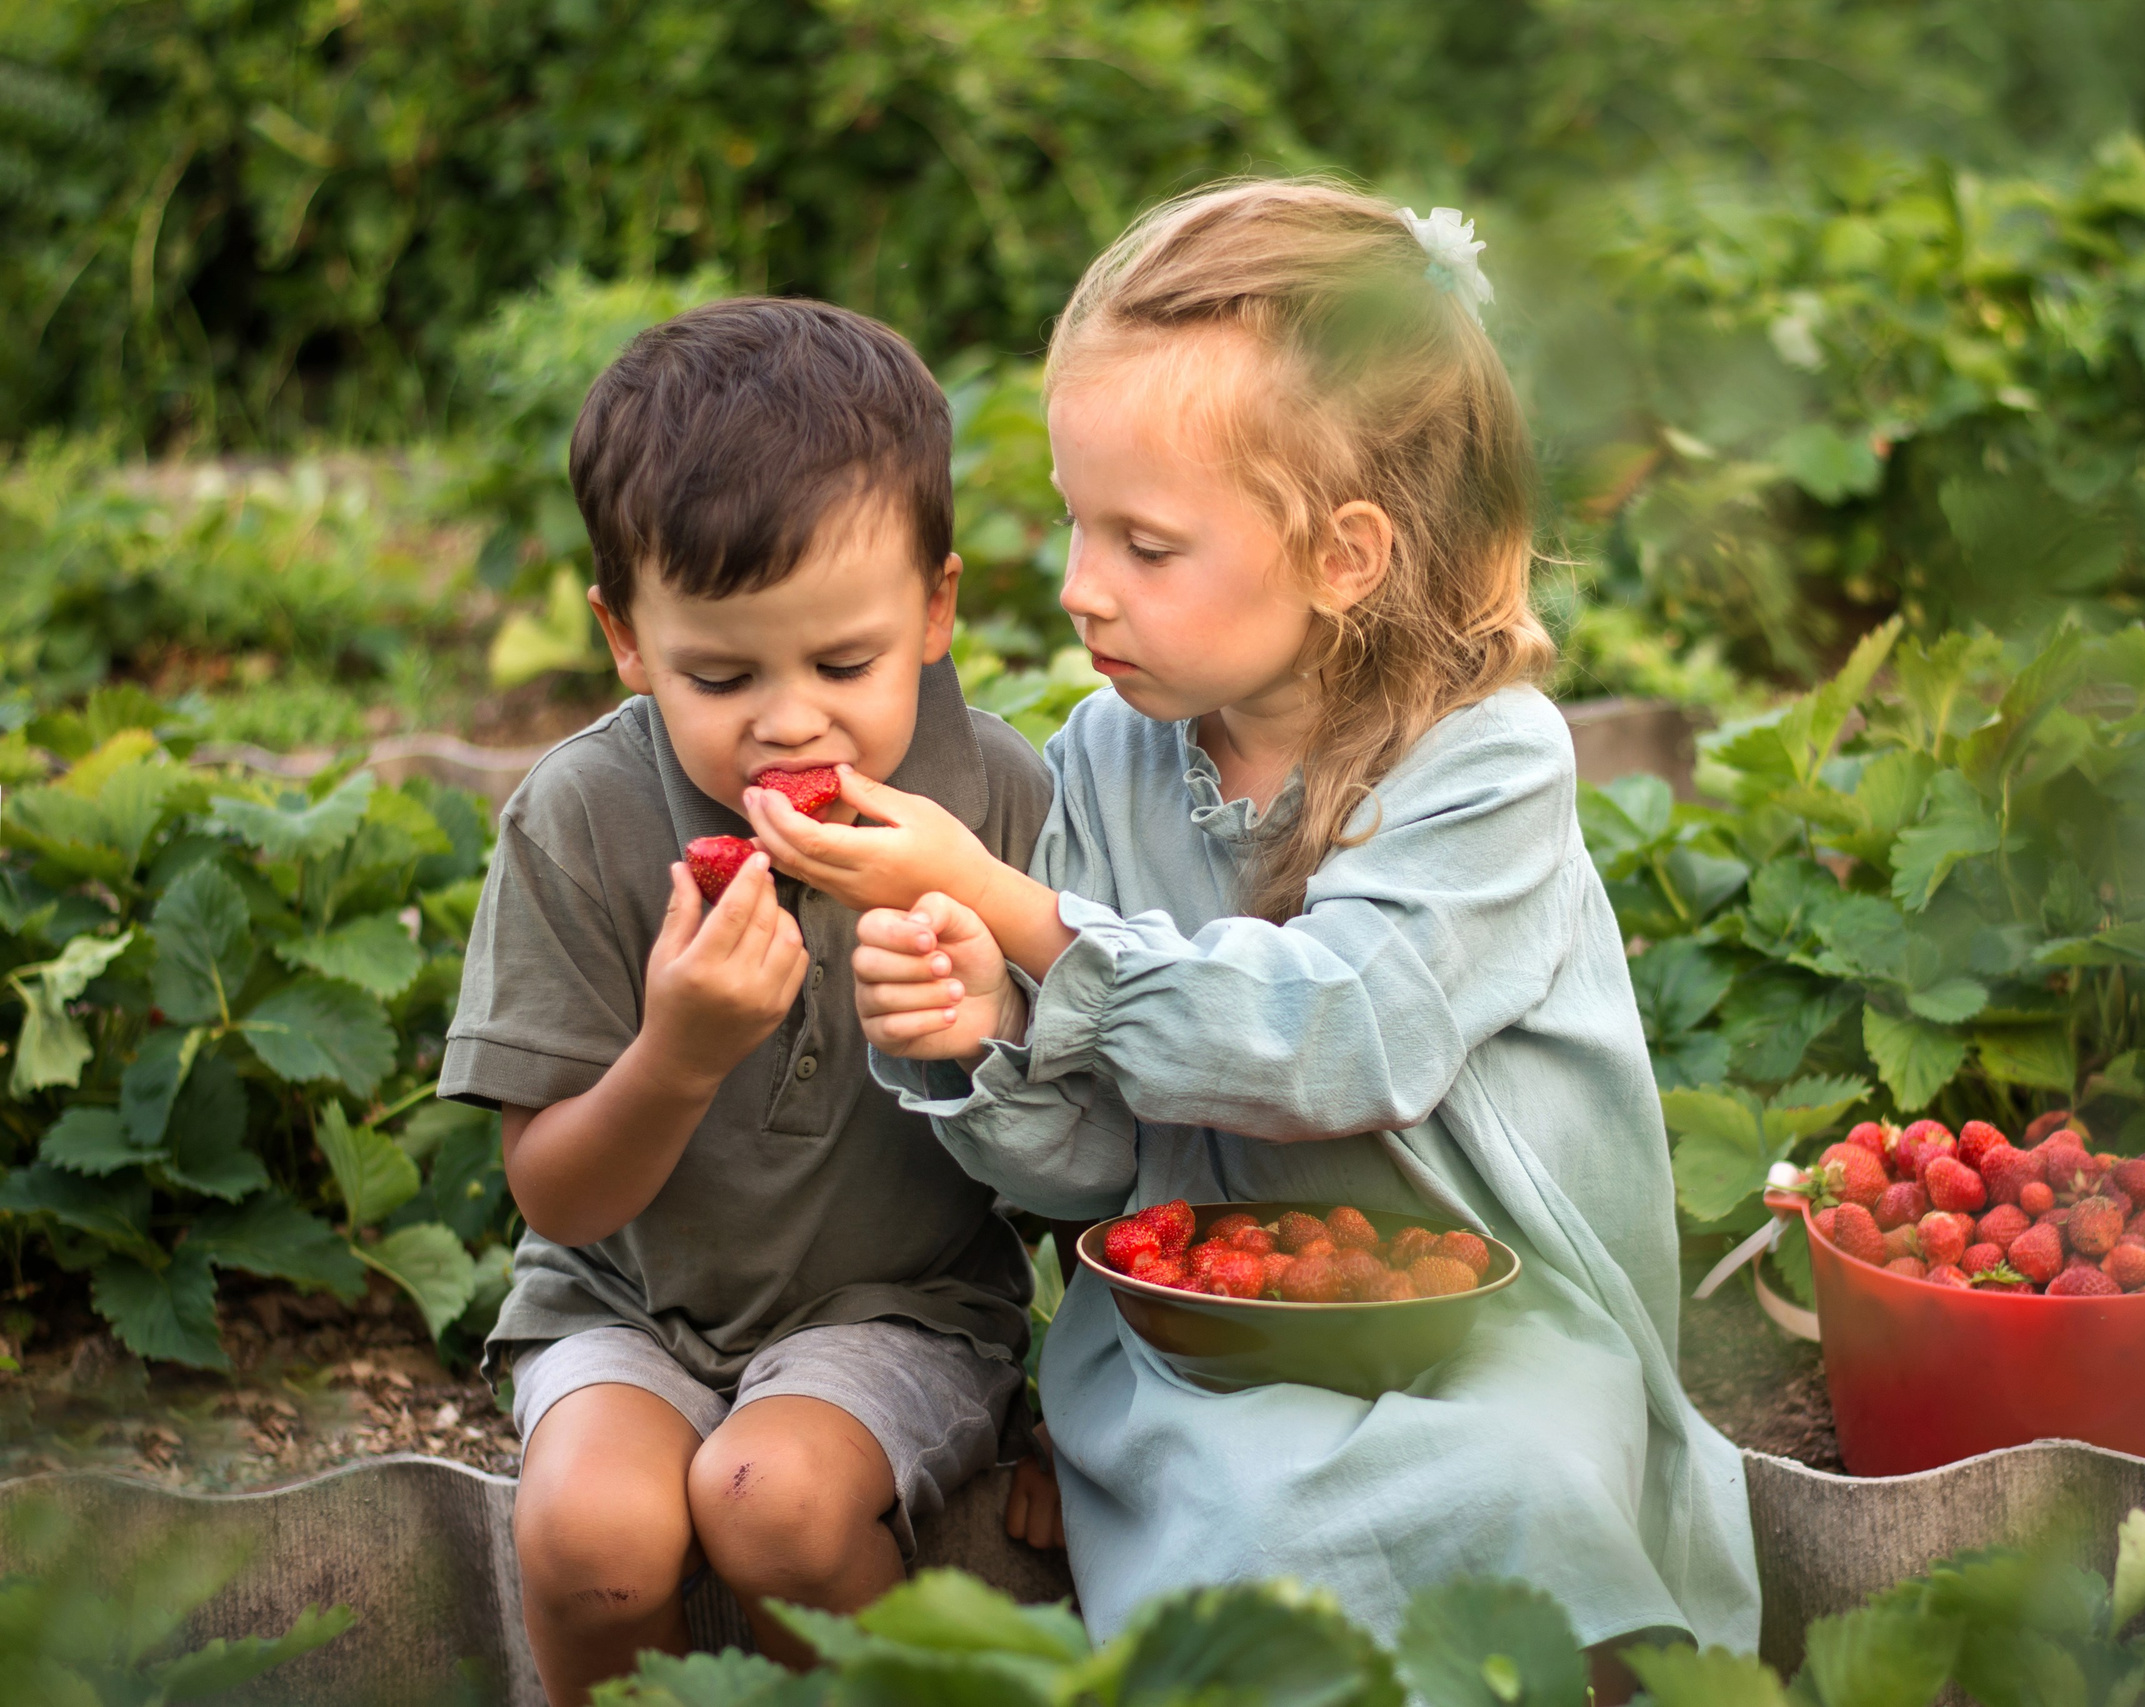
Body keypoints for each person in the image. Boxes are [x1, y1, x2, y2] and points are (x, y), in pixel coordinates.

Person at [744, 181, 1761, 1693]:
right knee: (1239, 1507)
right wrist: (982, 1039)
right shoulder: (1107, 756)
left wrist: (1025, 917)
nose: (1083, 588)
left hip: (1494, 1323)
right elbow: (1101, 1166)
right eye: (1078, 525)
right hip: (1204, 1345)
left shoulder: (1486, 760)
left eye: (1147, 546)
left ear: (1346, 553)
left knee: (1526, 1486)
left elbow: (1349, 1035)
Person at [438, 298, 1054, 1704]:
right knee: (593, 1538)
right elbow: (560, 1202)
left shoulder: (999, 806)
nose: (790, 722)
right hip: (622, 1301)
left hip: (899, 1304)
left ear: (939, 609)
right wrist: (679, 1051)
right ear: (626, 638)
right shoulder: (579, 818)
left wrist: (991, 1035)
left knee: (772, 1500)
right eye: (722, 674)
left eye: (846, 664)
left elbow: (1094, 1143)